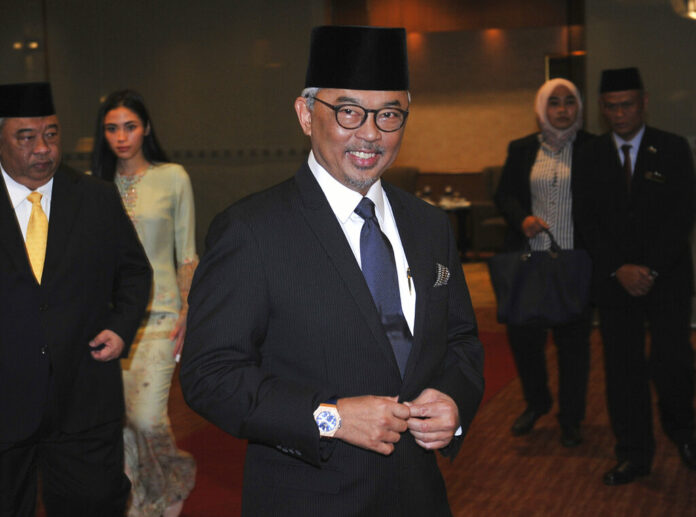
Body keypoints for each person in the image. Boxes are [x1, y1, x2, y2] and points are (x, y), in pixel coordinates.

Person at [180, 26, 484, 516]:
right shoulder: (252, 231)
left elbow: (463, 341)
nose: (370, 133)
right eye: (348, 112)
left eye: (389, 115)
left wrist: (454, 400)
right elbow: (209, 375)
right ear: (305, 114)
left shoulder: (429, 225)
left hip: (419, 497)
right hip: (308, 500)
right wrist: (330, 419)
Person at [0, 82, 151, 515]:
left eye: (51, 134)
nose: (43, 148)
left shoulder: (96, 198)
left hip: (83, 396)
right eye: (25, 137)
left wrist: (122, 329)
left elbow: (135, 273)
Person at [574, 67, 696, 485]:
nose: (619, 113)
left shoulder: (674, 148)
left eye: (627, 104)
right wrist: (618, 268)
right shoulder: (589, 154)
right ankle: (633, 453)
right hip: (614, 282)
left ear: (643, 102)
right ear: (602, 109)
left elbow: (682, 216)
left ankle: (685, 436)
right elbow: (586, 221)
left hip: (668, 278)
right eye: (611, 106)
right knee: (622, 369)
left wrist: (651, 269)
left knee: (673, 362)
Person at [91, 90, 197, 517]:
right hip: (112, 323)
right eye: (112, 128)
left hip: (162, 317)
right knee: (122, 424)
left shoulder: (173, 177)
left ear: (146, 129)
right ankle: (138, 501)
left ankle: (172, 483)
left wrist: (189, 313)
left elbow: (186, 254)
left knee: (148, 419)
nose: (121, 136)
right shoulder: (94, 187)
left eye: (130, 126)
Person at [494, 78, 593, 447]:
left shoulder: (594, 148)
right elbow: (504, 194)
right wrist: (522, 219)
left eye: (570, 102)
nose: (563, 109)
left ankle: (571, 417)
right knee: (524, 340)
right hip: (530, 262)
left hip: (576, 261)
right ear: (541, 109)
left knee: (574, 346)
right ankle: (537, 403)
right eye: (554, 103)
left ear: (579, 107)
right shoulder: (521, 149)